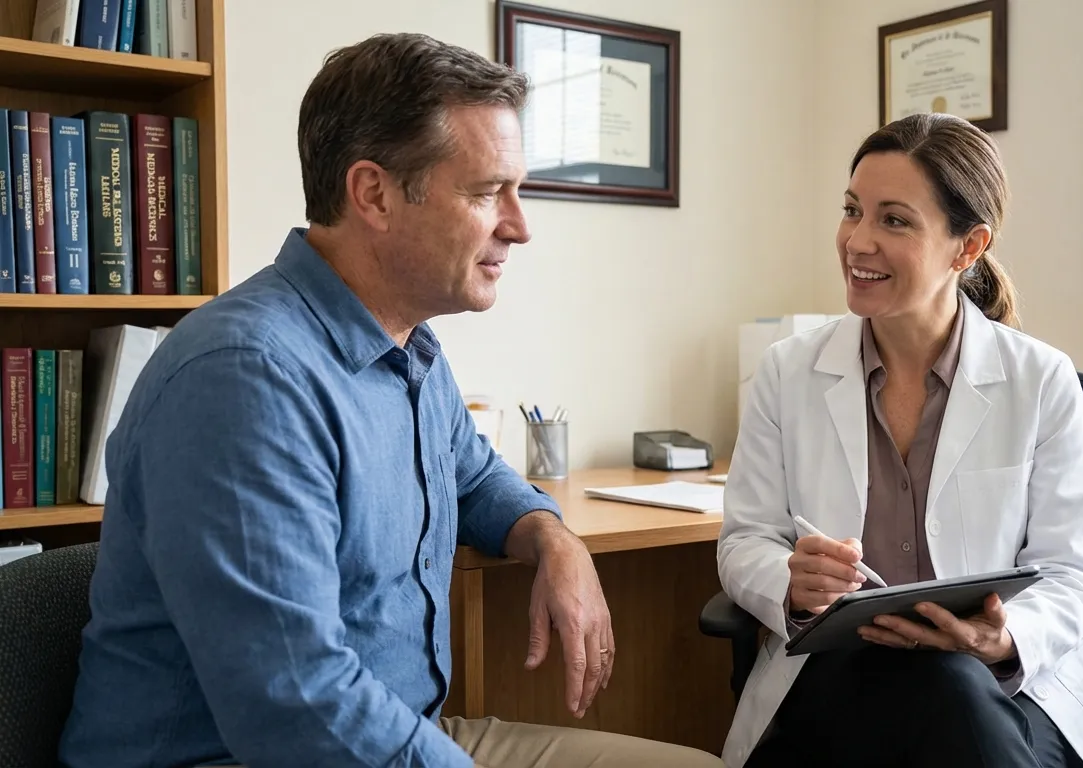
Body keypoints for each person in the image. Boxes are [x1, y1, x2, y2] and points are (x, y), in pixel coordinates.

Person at [57, 32, 723, 768]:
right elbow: (296, 703)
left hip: (400, 736)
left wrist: (552, 538)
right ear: (373, 193)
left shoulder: (408, 347)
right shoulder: (244, 380)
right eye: (484, 191)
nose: (520, 225)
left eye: (517, 189)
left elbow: (474, 476)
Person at [715, 112, 1083, 768]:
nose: (857, 241)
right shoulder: (787, 371)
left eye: (894, 220)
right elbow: (745, 538)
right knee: (935, 694)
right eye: (852, 210)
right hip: (837, 679)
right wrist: (789, 579)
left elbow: (1072, 572)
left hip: (1007, 687)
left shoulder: (1038, 379)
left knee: (949, 684)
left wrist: (1003, 634)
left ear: (968, 247)